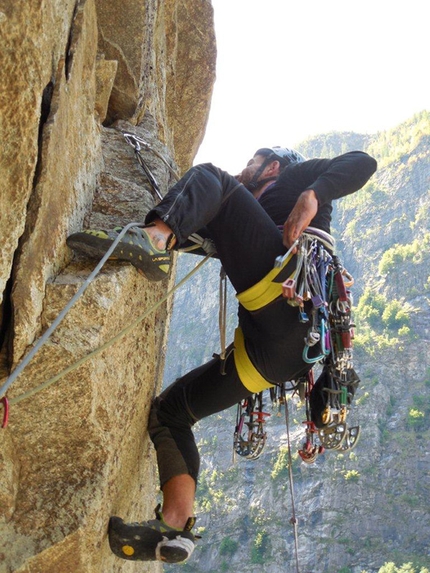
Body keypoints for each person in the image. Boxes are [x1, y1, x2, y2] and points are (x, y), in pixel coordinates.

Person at [67, 147, 377, 564]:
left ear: (271, 166)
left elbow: (362, 163)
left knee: (213, 174)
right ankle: (174, 526)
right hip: (277, 355)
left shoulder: (296, 176)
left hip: (288, 300)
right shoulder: (243, 220)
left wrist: (314, 194)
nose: (243, 168)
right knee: (171, 413)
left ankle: (154, 239)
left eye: (252, 161)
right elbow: (207, 218)